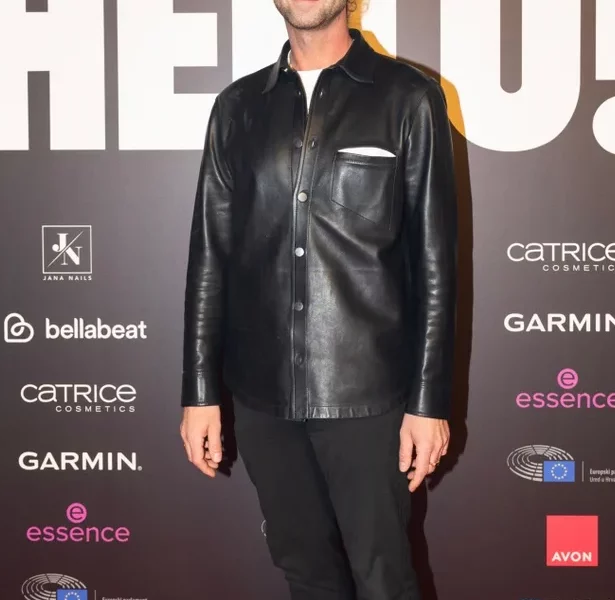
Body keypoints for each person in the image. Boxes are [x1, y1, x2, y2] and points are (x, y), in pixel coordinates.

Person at [179, 0, 457, 598]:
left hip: (370, 398)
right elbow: (210, 257)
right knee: (306, 577)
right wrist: (200, 392)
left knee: (384, 579)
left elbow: (435, 263)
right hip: (263, 397)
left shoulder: (409, 98)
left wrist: (428, 401)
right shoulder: (237, 108)